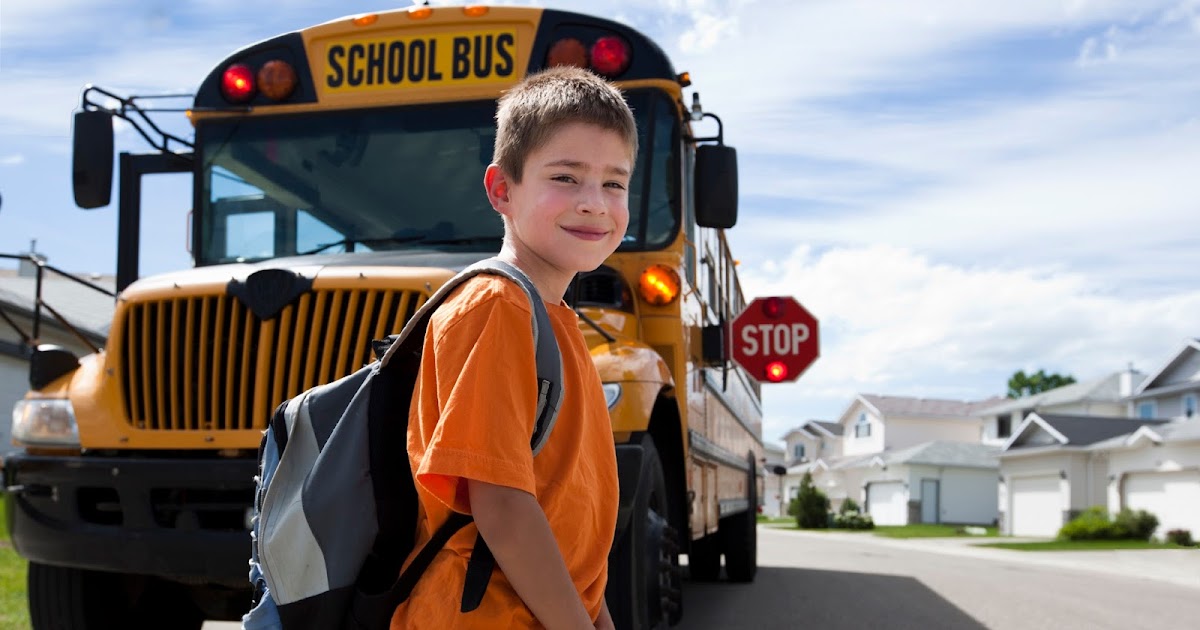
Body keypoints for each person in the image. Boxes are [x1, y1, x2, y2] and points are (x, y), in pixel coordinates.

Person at [390, 66, 637, 629]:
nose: (595, 203)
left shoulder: (555, 322)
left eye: (615, 183)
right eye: (566, 178)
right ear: (502, 189)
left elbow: (566, 515)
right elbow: (501, 506)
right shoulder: (497, 307)